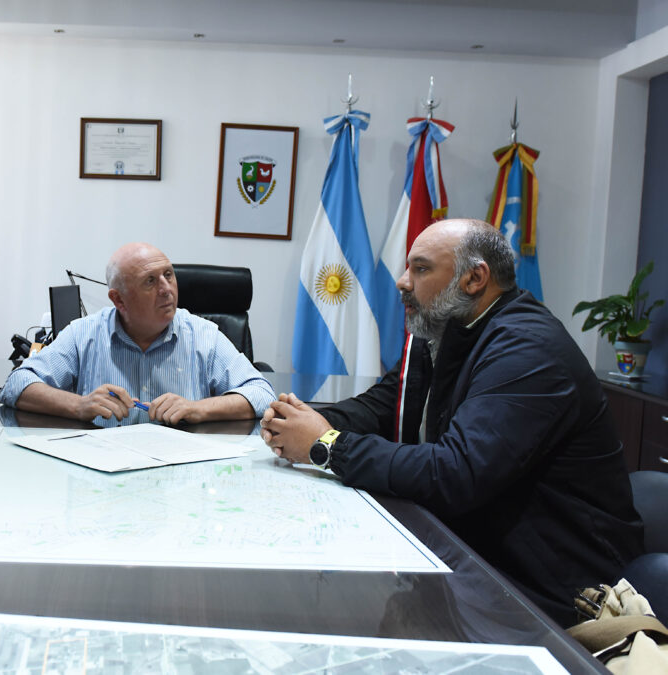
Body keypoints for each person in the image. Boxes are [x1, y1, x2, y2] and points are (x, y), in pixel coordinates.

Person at [260, 218, 644, 627]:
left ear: (474, 278)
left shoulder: (528, 349)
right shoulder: (452, 333)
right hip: (480, 556)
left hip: (552, 589)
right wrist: (299, 421)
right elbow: (383, 407)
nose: (402, 282)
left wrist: (327, 445)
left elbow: (455, 473)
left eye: (421, 269)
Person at [0, 242, 276, 425]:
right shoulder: (85, 333)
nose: (167, 289)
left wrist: (198, 409)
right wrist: (79, 405)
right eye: (150, 281)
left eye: (169, 275)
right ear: (119, 300)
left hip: (180, 475)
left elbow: (262, 394)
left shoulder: (203, 335)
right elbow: (17, 384)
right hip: (102, 473)